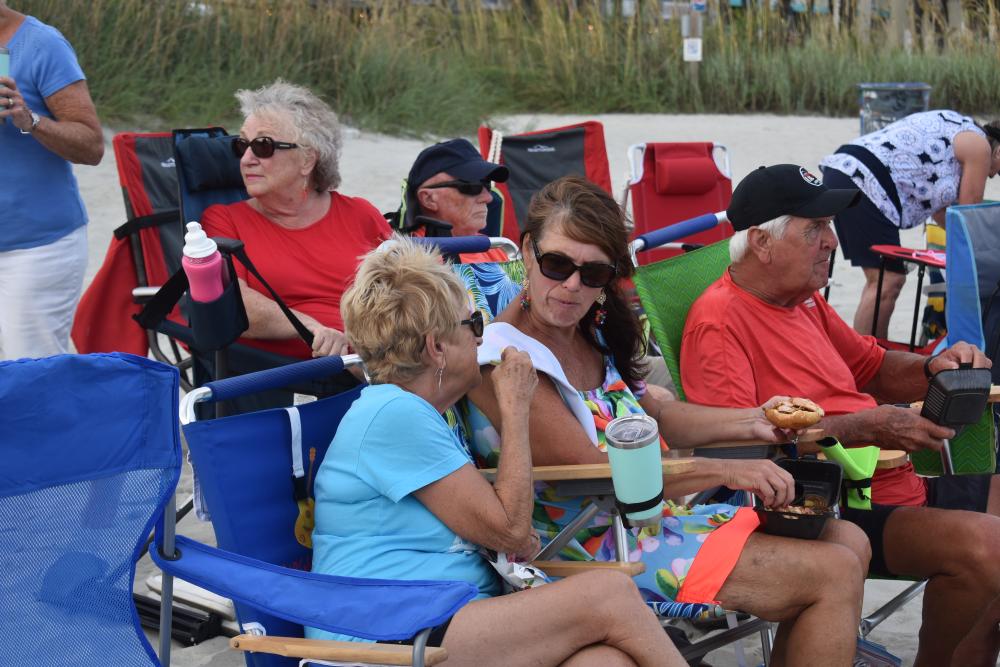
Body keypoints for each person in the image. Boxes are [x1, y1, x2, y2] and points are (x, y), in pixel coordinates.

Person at [465, 176, 867, 667]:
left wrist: (754, 422)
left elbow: (655, 416)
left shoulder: (586, 331)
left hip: (649, 523)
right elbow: (601, 472)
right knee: (831, 572)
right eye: (557, 265)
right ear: (528, 251)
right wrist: (728, 470)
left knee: (848, 539)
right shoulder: (504, 359)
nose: (572, 285)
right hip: (587, 549)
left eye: (593, 273)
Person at [309, 237, 688, 667]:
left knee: (603, 662)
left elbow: (505, 531)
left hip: (438, 618)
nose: (481, 337)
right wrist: (515, 407)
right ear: (436, 347)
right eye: (473, 324)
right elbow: (510, 531)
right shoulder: (393, 413)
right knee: (609, 593)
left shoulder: (416, 413)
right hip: (382, 632)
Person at [680, 163, 1000, 667]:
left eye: (829, 226)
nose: (832, 241)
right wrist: (866, 426)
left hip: (890, 478)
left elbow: (873, 367)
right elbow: (739, 450)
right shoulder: (720, 323)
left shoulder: (802, 301)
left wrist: (933, 366)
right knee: (986, 546)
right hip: (828, 500)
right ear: (762, 243)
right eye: (815, 229)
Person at [201, 80, 391, 360]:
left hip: (380, 353)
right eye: (242, 145)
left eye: (263, 146)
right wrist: (311, 328)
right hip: (302, 368)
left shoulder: (359, 214)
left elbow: (410, 287)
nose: (246, 159)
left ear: (307, 160)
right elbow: (235, 305)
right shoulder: (225, 221)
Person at [819, 110, 1000, 337]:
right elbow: (968, 216)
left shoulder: (959, 128)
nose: (992, 176)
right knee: (886, 281)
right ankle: (868, 356)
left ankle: (870, 351)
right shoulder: (980, 147)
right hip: (866, 181)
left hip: (846, 171)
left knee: (883, 280)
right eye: (998, 172)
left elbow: (945, 215)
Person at [0, 2, 103, 359]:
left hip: (34, 249)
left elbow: (91, 146)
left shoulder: (42, 45)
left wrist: (29, 119)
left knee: (32, 375)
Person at [393, 138, 510, 262]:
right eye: (472, 186)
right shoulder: (407, 262)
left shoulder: (496, 249)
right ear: (428, 199)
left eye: (486, 184)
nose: (488, 198)